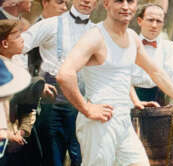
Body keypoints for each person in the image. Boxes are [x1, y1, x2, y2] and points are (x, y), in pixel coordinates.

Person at [56, 0, 173, 165]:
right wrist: (87, 109)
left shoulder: (132, 37)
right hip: (100, 121)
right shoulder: (95, 36)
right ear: (106, 4)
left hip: (123, 119)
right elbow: (65, 74)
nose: (126, 7)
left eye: (130, 1)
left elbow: (155, 71)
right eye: (119, 1)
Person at [20, 0, 99, 164]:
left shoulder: (99, 32)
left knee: (82, 159)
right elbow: (16, 48)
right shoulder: (50, 25)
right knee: (52, 159)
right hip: (53, 102)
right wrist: (31, 84)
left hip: (84, 105)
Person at [133, 3, 173, 105]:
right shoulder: (128, 44)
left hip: (159, 104)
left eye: (159, 21)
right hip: (130, 101)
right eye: (150, 20)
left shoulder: (169, 47)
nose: (154, 25)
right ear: (140, 21)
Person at [0, 19, 34, 166]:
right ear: (5, 44)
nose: (22, 40)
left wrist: (22, 131)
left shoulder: (16, 69)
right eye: (17, 37)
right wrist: (7, 134)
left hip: (14, 143)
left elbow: (26, 106)